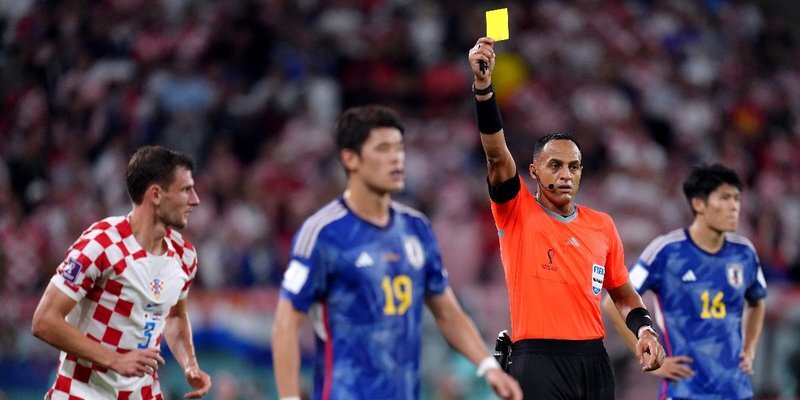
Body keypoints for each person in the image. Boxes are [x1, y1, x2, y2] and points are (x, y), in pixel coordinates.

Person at [271, 105, 522, 400]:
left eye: (399, 149)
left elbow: (448, 312)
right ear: (350, 158)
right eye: (383, 149)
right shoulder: (323, 233)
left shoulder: (416, 229)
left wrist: (488, 367)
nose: (397, 158)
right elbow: (286, 324)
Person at [468, 36, 665, 399]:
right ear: (534, 171)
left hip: (594, 361)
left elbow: (623, 295)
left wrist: (645, 331)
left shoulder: (601, 225)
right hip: (538, 360)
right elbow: (496, 154)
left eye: (573, 167)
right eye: (555, 165)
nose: (565, 175)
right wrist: (484, 89)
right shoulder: (516, 211)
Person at [31, 145, 211, 399]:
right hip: (82, 392)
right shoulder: (101, 245)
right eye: (185, 190)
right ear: (156, 195)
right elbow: (44, 321)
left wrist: (190, 365)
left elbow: (175, 316)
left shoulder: (184, 255)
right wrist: (115, 359)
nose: (195, 200)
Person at [602, 163, 767, 399]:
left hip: (734, 389)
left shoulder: (744, 253)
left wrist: (749, 349)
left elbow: (757, 301)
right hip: (685, 389)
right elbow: (614, 302)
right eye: (724, 199)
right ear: (699, 204)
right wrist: (653, 360)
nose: (734, 207)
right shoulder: (666, 251)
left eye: (736, 199)